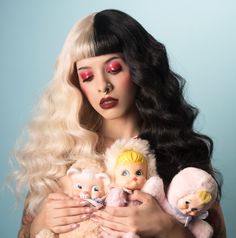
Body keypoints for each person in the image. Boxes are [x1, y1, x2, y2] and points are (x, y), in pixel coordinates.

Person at [15, 9, 226, 238]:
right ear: (77, 84)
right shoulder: (61, 153)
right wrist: (38, 225)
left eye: (113, 69)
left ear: (138, 69)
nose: (103, 86)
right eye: (87, 76)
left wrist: (169, 229)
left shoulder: (178, 149)